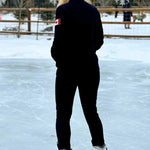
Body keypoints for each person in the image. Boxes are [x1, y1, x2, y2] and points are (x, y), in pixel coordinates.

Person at [51, 0, 107, 149]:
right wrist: (87, 51)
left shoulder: (62, 10)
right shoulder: (93, 10)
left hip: (67, 68)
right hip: (89, 67)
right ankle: (100, 145)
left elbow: (58, 40)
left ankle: (64, 147)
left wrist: (58, 58)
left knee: (63, 113)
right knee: (91, 110)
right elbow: (99, 40)